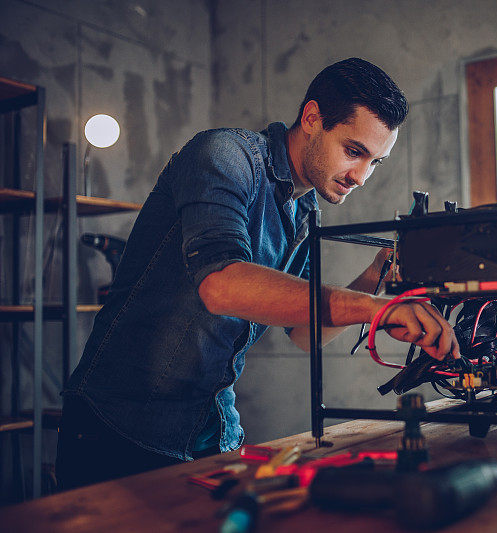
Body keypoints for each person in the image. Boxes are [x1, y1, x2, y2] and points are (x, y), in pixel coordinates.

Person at [56, 58, 459, 490]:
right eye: (354, 151)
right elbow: (221, 284)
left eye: (375, 162)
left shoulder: (305, 210)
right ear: (311, 118)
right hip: (118, 429)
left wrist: (376, 275)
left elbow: (303, 333)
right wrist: (375, 308)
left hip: (211, 433)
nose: (361, 176)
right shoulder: (223, 155)